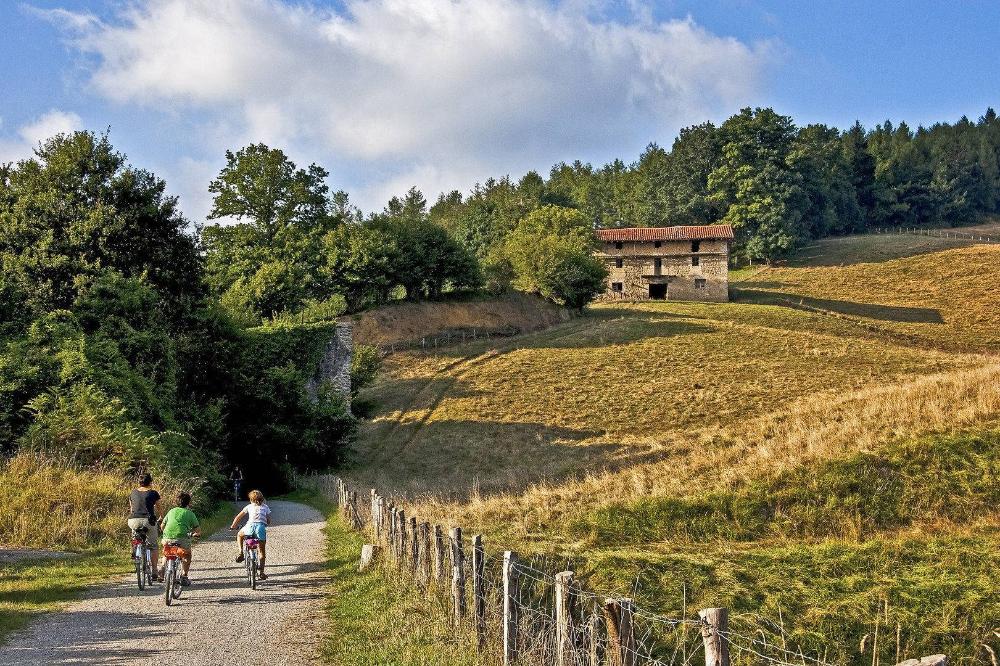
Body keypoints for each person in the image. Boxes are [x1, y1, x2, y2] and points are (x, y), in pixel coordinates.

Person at [159, 492, 201, 586]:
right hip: (182, 538)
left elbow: (162, 525)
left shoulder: (171, 511)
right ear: (188, 503)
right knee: (187, 555)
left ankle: (162, 568)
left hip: (167, 537)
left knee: (167, 551)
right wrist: (196, 534)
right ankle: (184, 576)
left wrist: (165, 533)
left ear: (177, 502)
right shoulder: (190, 513)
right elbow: (198, 530)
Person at [126, 473, 161, 581]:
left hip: (133, 520)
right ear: (150, 482)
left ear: (139, 482)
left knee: (135, 535)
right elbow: (159, 507)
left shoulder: (132, 493)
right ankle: (155, 570)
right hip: (148, 521)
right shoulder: (153, 493)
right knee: (153, 545)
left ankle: (135, 547)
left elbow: (132, 509)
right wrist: (161, 518)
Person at [231, 490, 271, 580]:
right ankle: (262, 572)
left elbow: (238, 517)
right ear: (262, 499)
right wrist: (264, 522)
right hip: (260, 528)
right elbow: (268, 521)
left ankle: (241, 552)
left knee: (239, 535)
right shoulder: (265, 507)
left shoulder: (249, 506)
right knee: (262, 552)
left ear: (251, 500)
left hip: (249, 527)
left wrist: (233, 526)